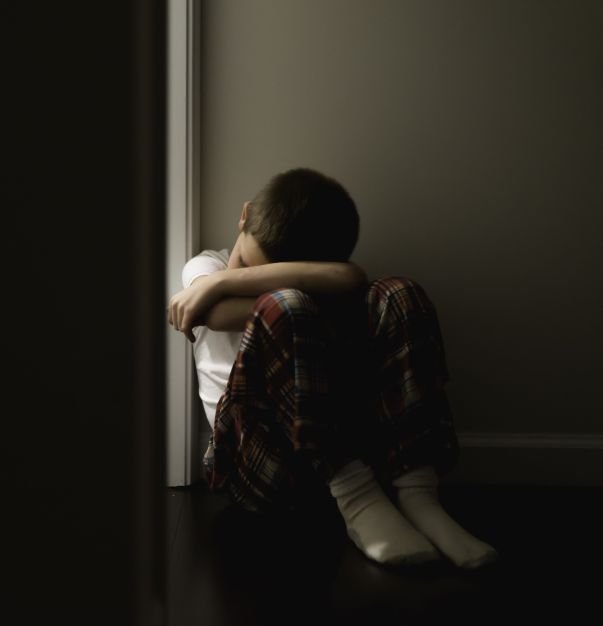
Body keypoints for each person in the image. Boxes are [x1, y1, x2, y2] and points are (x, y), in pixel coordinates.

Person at [167, 167, 498, 569]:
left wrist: (223, 284)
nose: (237, 275)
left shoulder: (222, 283)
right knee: (284, 305)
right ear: (245, 215)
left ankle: (419, 495)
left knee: (398, 293)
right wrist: (221, 283)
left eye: (253, 273)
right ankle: (357, 501)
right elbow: (218, 315)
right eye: (242, 265)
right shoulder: (206, 267)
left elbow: (351, 276)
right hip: (256, 463)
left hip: (346, 453)